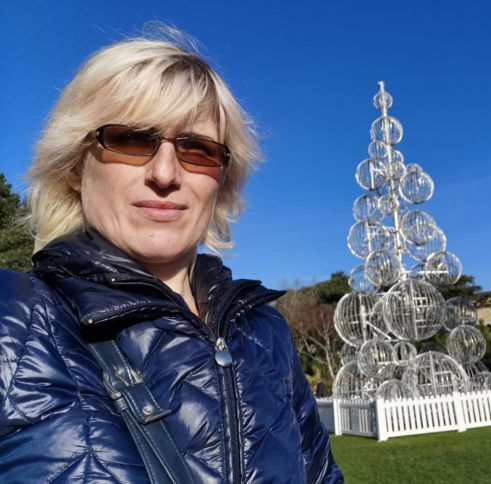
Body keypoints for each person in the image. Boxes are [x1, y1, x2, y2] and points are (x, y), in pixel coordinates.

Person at [0, 28, 343, 483]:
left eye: (197, 149)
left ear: (222, 181)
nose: (165, 174)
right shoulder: (16, 318)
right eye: (130, 139)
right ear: (75, 167)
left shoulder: (264, 331)